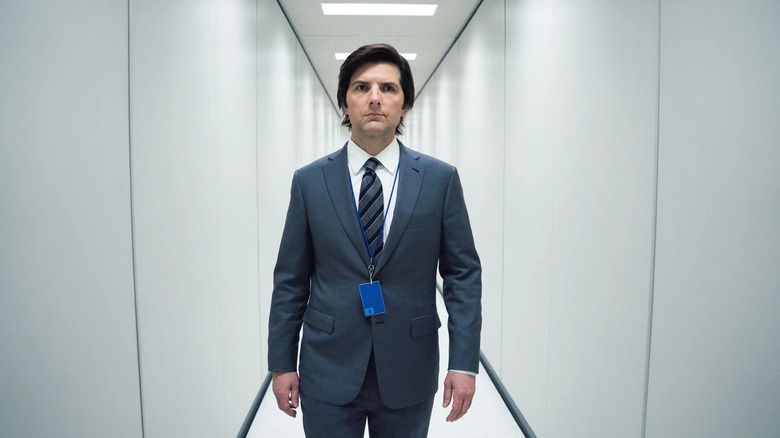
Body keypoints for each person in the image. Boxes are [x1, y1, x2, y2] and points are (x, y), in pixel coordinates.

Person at [268, 42, 482, 437]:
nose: (374, 98)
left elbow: (463, 275)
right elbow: (291, 280)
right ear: (345, 103)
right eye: (361, 87)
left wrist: (464, 362)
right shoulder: (310, 182)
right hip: (328, 365)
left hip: (409, 365)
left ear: (405, 104)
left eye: (388, 88)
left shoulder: (439, 180)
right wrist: (281, 365)